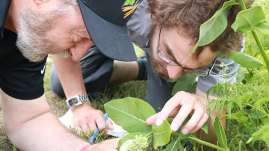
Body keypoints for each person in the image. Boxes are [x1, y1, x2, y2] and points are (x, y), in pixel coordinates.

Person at [52, 0, 253, 149]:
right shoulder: (125, 4)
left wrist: (202, 106)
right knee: (62, 86)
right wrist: (79, 106)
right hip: (112, 30)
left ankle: (158, 64)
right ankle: (144, 67)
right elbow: (61, 24)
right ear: (157, 15)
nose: (174, 75)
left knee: (158, 119)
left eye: (194, 68)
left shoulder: (228, 45)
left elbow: (214, 141)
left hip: (151, 44)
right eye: (169, 53)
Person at [0, 0, 142, 150]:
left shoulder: (28, 32)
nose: (77, 56)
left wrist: (89, 149)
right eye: (78, 36)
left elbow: (28, 120)